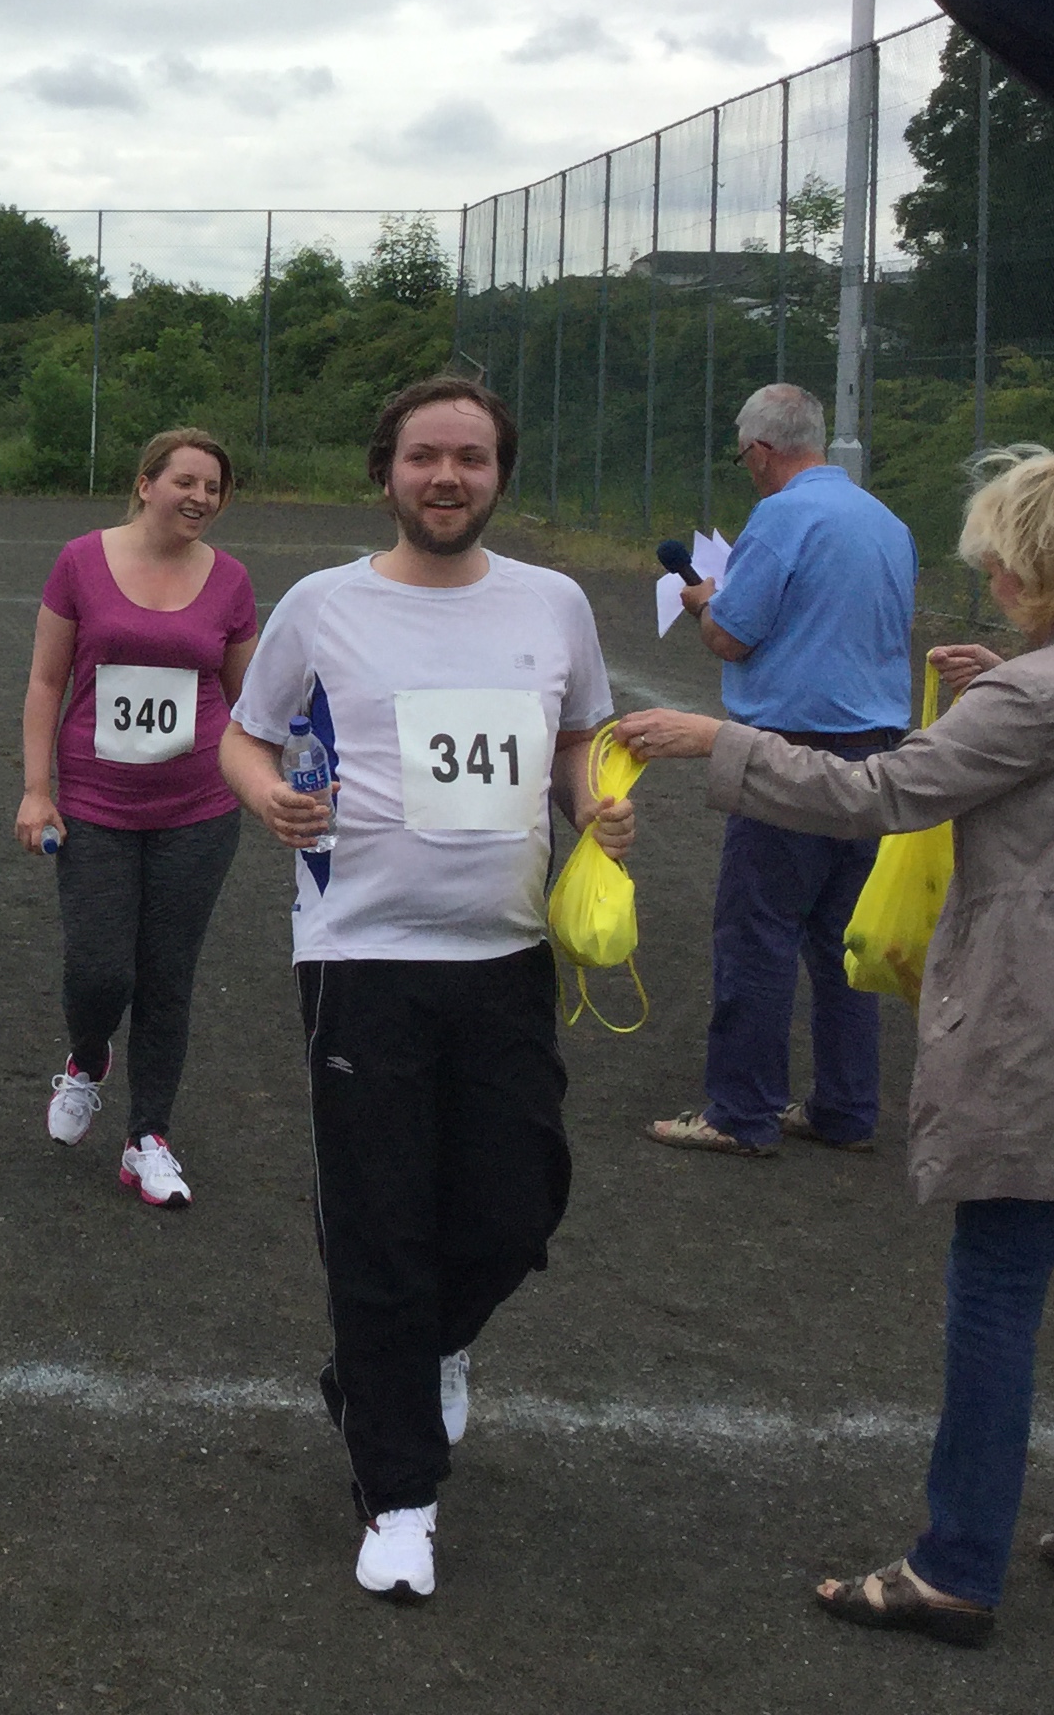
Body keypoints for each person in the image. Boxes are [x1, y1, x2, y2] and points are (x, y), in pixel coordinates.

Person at [617, 448, 1054, 1646]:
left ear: (1033, 567)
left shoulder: (1035, 699)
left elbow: (880, 795)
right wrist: (1010, 684)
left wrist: (720, 743)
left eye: (998, 566)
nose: (993, 584)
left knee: (999, 1280)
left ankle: (955, 1565)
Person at [217, 376, 633, 1606]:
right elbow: (244, 732)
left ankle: (421, 1350)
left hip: (508, 955)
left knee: (517, 1205)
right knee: (380, 1222)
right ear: (385, 471)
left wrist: (594, 804)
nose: (447, 476)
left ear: (500, 473)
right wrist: (267, 795)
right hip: (361, 956)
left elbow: (577, 740)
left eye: (471, 457)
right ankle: (399, 1495)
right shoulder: (323, 605)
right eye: (423, 456)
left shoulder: (554, 604)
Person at [647, 383, 918, 1159]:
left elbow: (731, 636)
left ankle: (740, 1111)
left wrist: (703, 601)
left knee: (758, 933)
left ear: (762, 451)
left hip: (789, 753)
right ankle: (846, 1107)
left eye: (745, 458)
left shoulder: (780, 517)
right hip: (877, 754)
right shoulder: (886, 521)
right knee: (842, 940)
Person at [16, 426, 260, 1207]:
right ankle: (88, 1059)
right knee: (99, 972)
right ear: (147, 483)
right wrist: (36, 789)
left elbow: (248, 702)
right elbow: (46, 682)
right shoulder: (80, 562)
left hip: (199, 809)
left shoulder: (231, 582)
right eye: (185, 481)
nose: (200, 498)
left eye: (213, 488)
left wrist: (278, 775)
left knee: (167, 975)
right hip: (95, 807)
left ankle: (147, 1139)